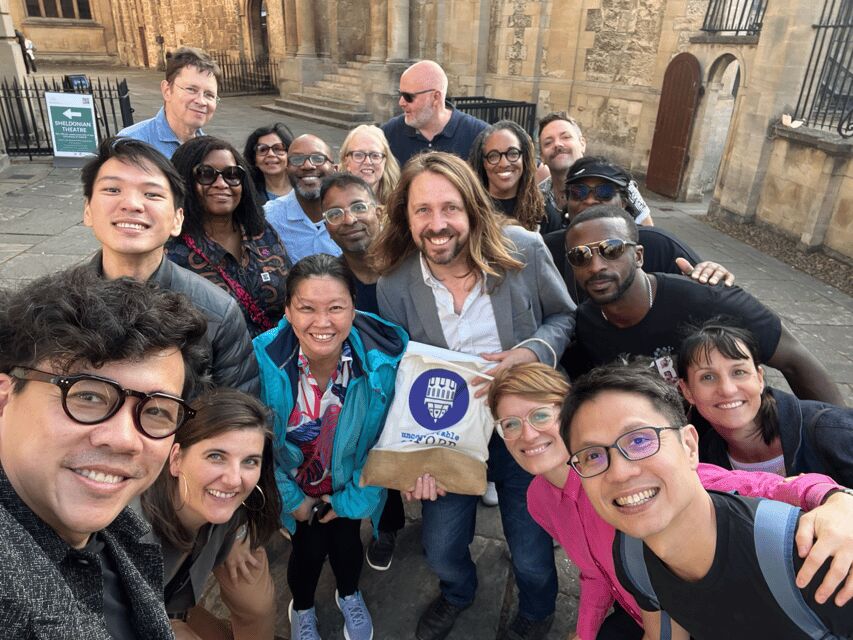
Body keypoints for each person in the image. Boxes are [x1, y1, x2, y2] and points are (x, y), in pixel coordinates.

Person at [488, 362, 853, 639]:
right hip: (648, 614)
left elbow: (757, 485)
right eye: (510, 424)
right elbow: (594, 573)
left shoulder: (646, 481)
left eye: (539, 415)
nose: (527, 434)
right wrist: (585, 634)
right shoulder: (540, 500)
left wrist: (835, 498)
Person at [372, 151, 575, 640]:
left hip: (524, 430)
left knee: (531, 551)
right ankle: (458, 592)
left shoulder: (523, 250)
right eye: (422, 210)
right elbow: (401, 376)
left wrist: (531, 351)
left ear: (473, 208)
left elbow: (564, 315)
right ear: (405, 217)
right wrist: (409, 458)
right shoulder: (394, 284)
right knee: (441, 547)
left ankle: (537, 611)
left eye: (450, 208)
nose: (437, 224)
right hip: (447, 435)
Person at [0, 266, 209, 638]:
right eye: (88, 396)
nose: (124, 439)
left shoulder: (123, 536)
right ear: (4, 398)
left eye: (156, 411)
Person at [253, 254, 408, 640]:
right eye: (307, 308)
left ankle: (349, 594)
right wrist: (291, 499)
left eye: (336, 308)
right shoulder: (262, 360)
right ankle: (303, 607)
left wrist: (352, 500)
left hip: (352, 484)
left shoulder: (384, 362)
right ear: (288, 310)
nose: (322, 323)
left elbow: (388, 441)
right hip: (295, 489)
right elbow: (255, 443)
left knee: (347, 547)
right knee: (306, 555)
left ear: (354, 307)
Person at [566, 204, 846, 407]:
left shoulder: (706, 300)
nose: (596, 266)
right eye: (580, 256)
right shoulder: (586, 325)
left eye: (611, 249)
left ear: (638, 256)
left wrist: (836, 437)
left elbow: (795, 361)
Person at [81, 136, 258, 395]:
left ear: (177, 219)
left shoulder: (217, 313)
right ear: (87, 210)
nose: (132, 204)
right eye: (113, 190)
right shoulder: (50, 307)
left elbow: (238, 411)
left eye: (151, 194)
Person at [139, 388, 282, 640]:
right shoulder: (133, 534)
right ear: (176, 459)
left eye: (250, 461)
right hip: (137, 615)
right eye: (216, 456)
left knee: (256, 603)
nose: (234, 479)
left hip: (177, 594)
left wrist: (238, 532)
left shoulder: (236, 501)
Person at [319, 172, 406, 571]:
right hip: (365, 389)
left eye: (358, 206)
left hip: (415, 382)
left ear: (379, 210)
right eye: (334, 213)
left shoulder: (410, 262)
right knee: (369, 456)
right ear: (325, 225)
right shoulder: (333, 278)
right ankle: (386, 526)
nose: (349, 219)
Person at [678, 319, 853, 485]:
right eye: (708, 377)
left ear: (759, 378)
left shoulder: (833, 431)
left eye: (739, 372)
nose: (728, 389)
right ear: (687, 391)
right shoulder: (700, 460)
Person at [166, 135, 291, 337]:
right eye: (206, 174)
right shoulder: (170, 251)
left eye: (232, 174)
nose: (221, 183)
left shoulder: (260, 230)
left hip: (280, 352)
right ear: (184, 181)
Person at [536, 113, 653, 227]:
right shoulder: (536, 196)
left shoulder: (619, 184)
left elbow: (648, 233)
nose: (557, 144)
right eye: (548, 142)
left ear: (582, 144)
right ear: (542, 157)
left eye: (566, 137)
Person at [118, 47, 220, 159]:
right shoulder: (132, 145)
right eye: (191, 89)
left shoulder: (212, 152)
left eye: (209, 95)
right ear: (167, 91)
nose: (201, 101)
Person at [381, 60, 488, 166]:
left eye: (408, 96)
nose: (401, 102)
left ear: (436, 97)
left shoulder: (479, 136)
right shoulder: (389, 134)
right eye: (400, 94)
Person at [468, 120, 562, 233]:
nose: (504, 164)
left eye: (513, 153)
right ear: (483, 162)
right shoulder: (470, 209)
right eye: (493, 156)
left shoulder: (544, 214)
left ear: (524, 158)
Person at [264, 134, 342, 262]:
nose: (308, 166)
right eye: (297, 159)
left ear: (335, 169)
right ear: (286, 170)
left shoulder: (351, 217)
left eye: (318, 158)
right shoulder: (268, 219)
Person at [340, 124, 401, 207]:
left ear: (385, 161)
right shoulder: (334, 201)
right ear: (346, 161)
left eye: (375, 155)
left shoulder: (400, 202)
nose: (367, 162)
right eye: (359, 155)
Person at [243, 123, 294, 205]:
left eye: (277, 148)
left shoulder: (304, 188)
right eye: (263, 150)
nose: (271, 154)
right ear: (254, 159)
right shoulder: (247, 195)